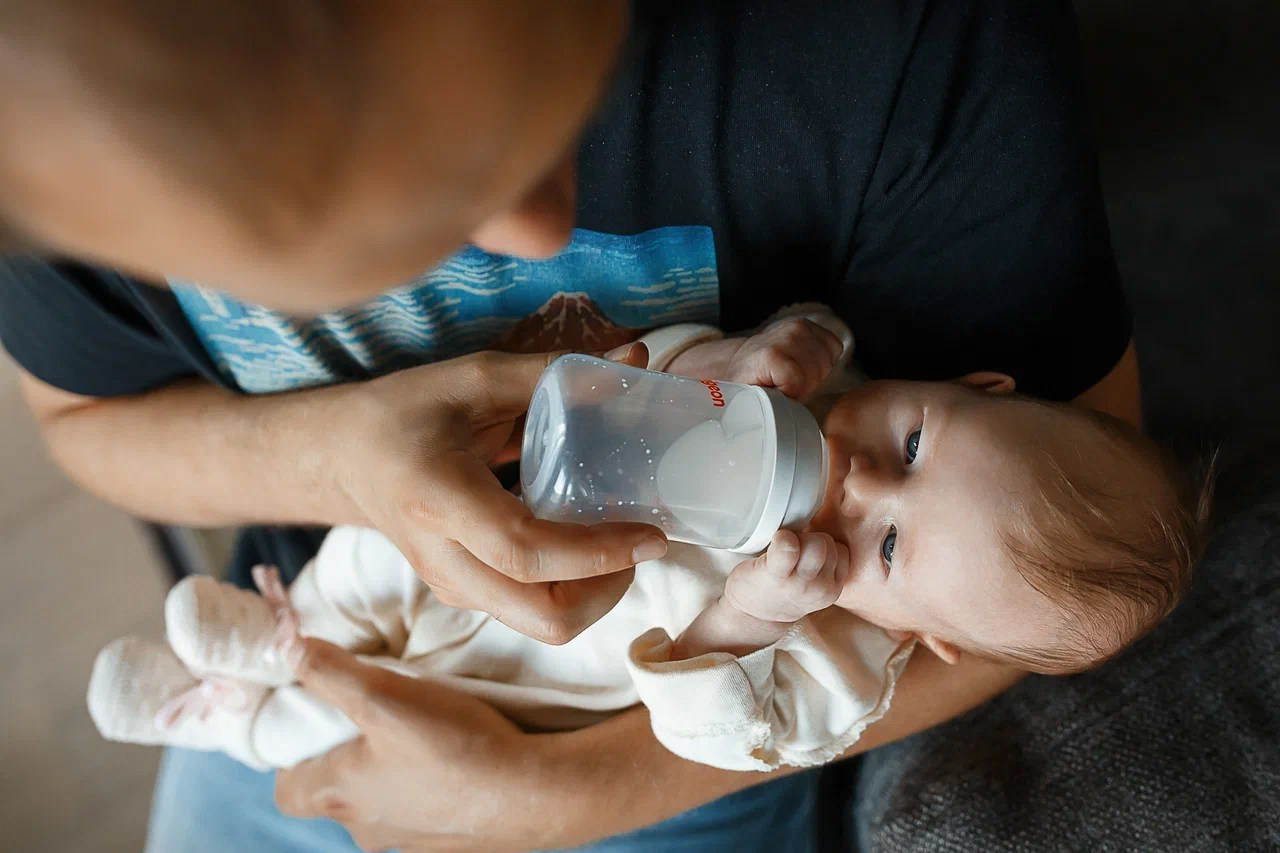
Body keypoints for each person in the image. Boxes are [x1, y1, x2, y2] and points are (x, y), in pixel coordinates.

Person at [0, 1, 1143, 849]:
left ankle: (231, 702)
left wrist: (569, 791)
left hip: (590, 741)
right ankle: (237, 681)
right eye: (431, 203)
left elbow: (1017, 589)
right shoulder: (66, 112)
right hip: (370, 579)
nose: (545, 227)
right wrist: (333, 460)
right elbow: (84, 418)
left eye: (532, 132)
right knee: (309, 694)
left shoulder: (901, 48)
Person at [87, 309, 1202, 778]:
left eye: (892, 551)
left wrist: (749, 616)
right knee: (378, 554)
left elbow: (708, 733)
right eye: (912, 441)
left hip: (518, 685)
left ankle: (236, 708)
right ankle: (280, 620)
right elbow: (650, 395)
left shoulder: (844, 676)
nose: (856, 481)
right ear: (967, 387)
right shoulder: (819, 392)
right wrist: (766, 349)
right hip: (486, 526)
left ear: (926, 639)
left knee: (345, 719)